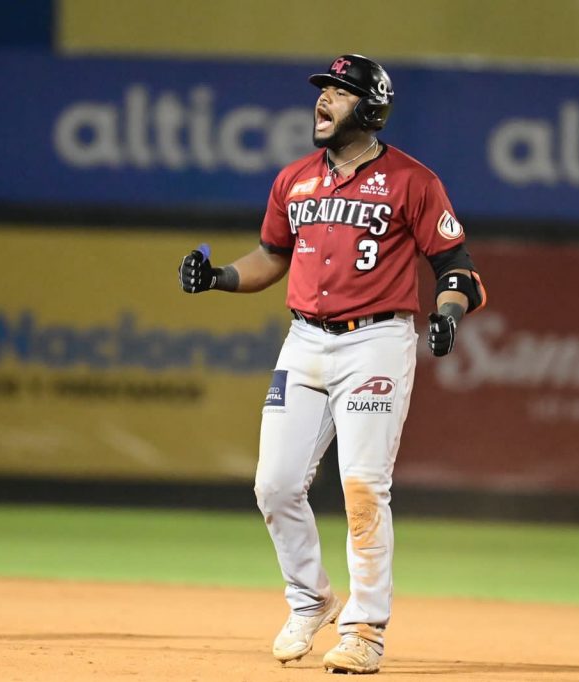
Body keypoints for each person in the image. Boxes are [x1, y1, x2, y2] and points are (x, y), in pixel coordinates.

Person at [178, 54, 485, 674]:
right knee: (274, 484)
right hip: (305, 342)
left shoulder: (413, 181)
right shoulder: (294, 179)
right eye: (322, 90)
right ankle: (310, 598)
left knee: (364, 486)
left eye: (339, 92)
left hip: (377, 340)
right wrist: (218, 276)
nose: (322, 100)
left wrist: (448, 313)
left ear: (370, 107)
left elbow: (456, 269)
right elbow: (271, 259)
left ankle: (366, 628)